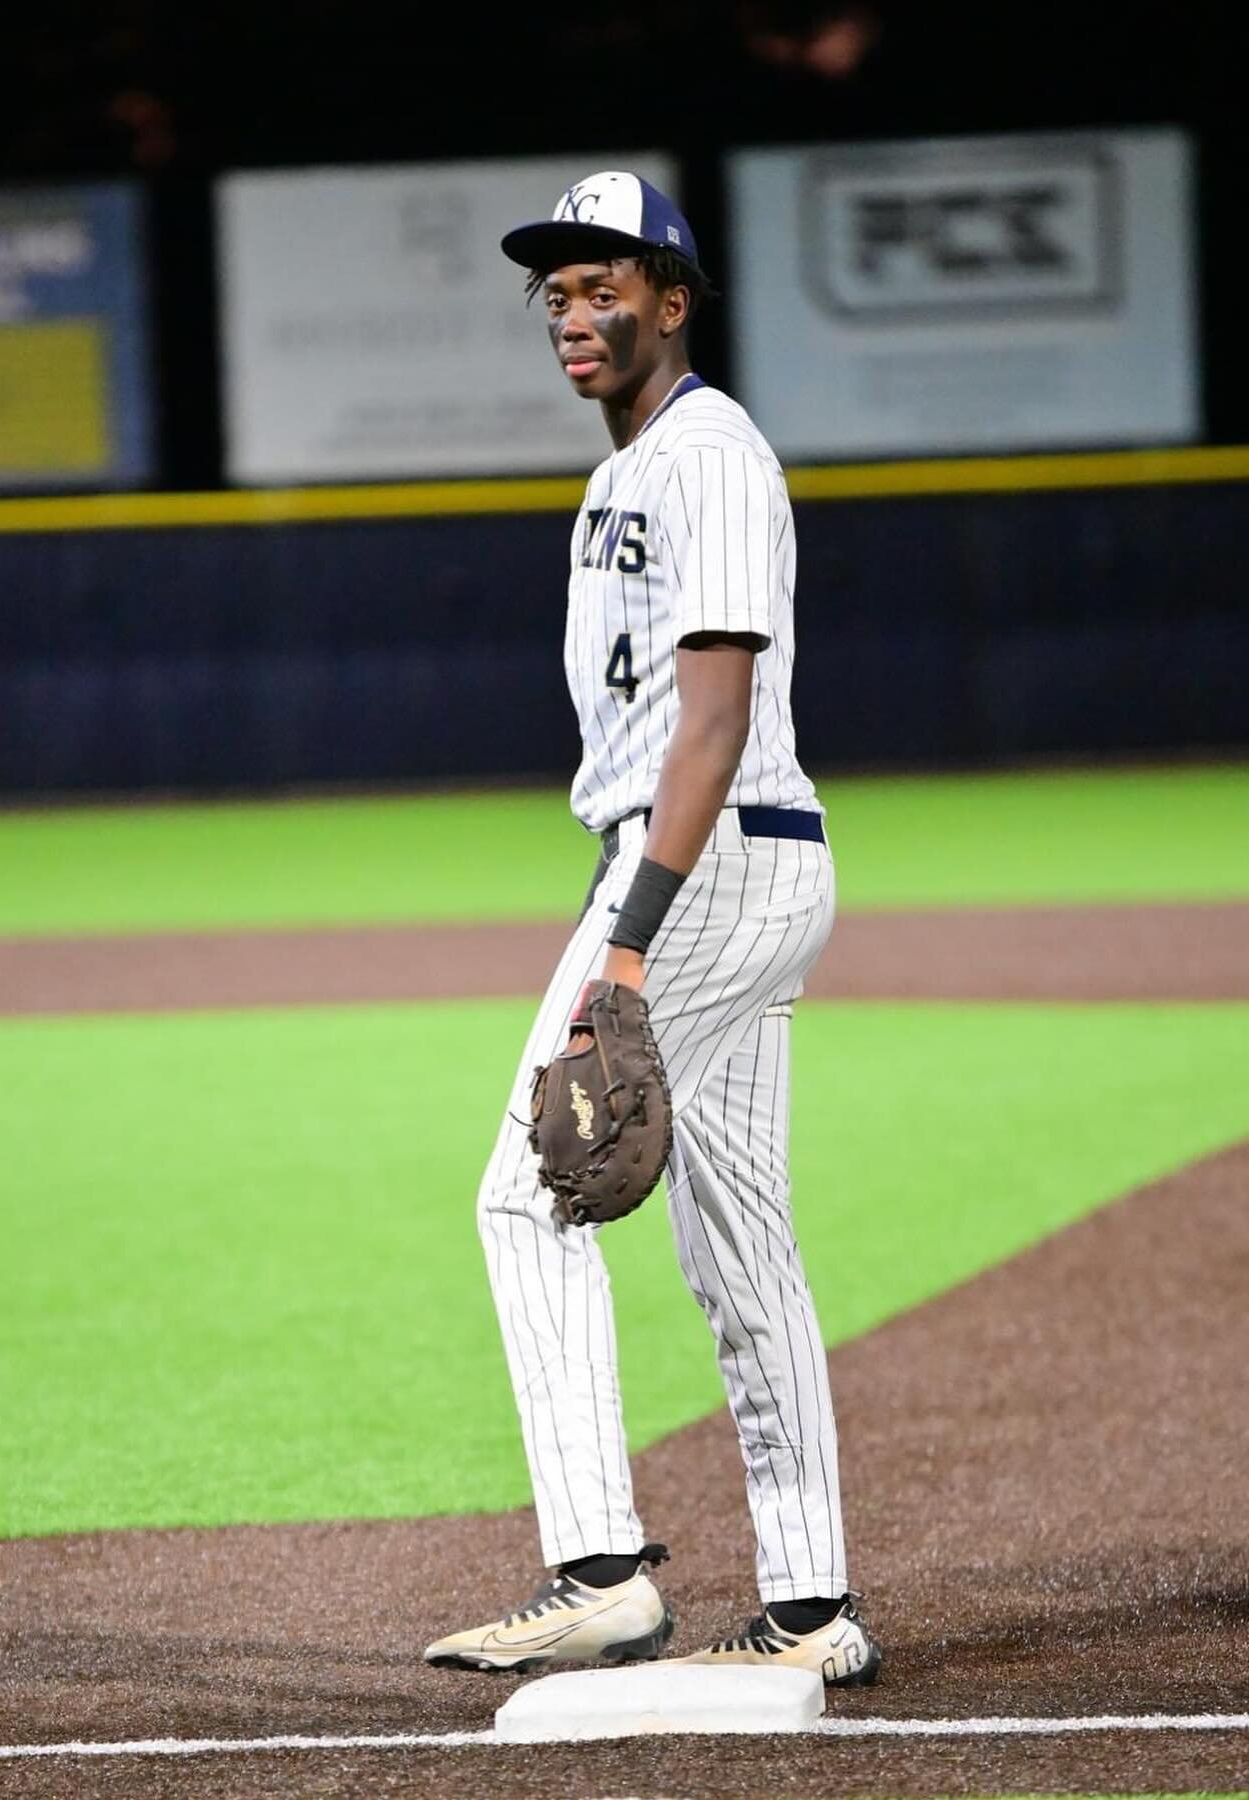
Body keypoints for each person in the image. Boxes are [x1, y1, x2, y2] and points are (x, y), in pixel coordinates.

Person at [423, 171, 880, 1687]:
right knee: (742, 1241)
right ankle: (811, 1606)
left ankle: (600, 1572)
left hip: (713, 854)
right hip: (727, 862)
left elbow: (714, 719)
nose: (575, 309)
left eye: (604, 282)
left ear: (672, 301)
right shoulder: (628, 471)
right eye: (554, 289)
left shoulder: (708, 453)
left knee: (525, 1187)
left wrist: (625, 944)